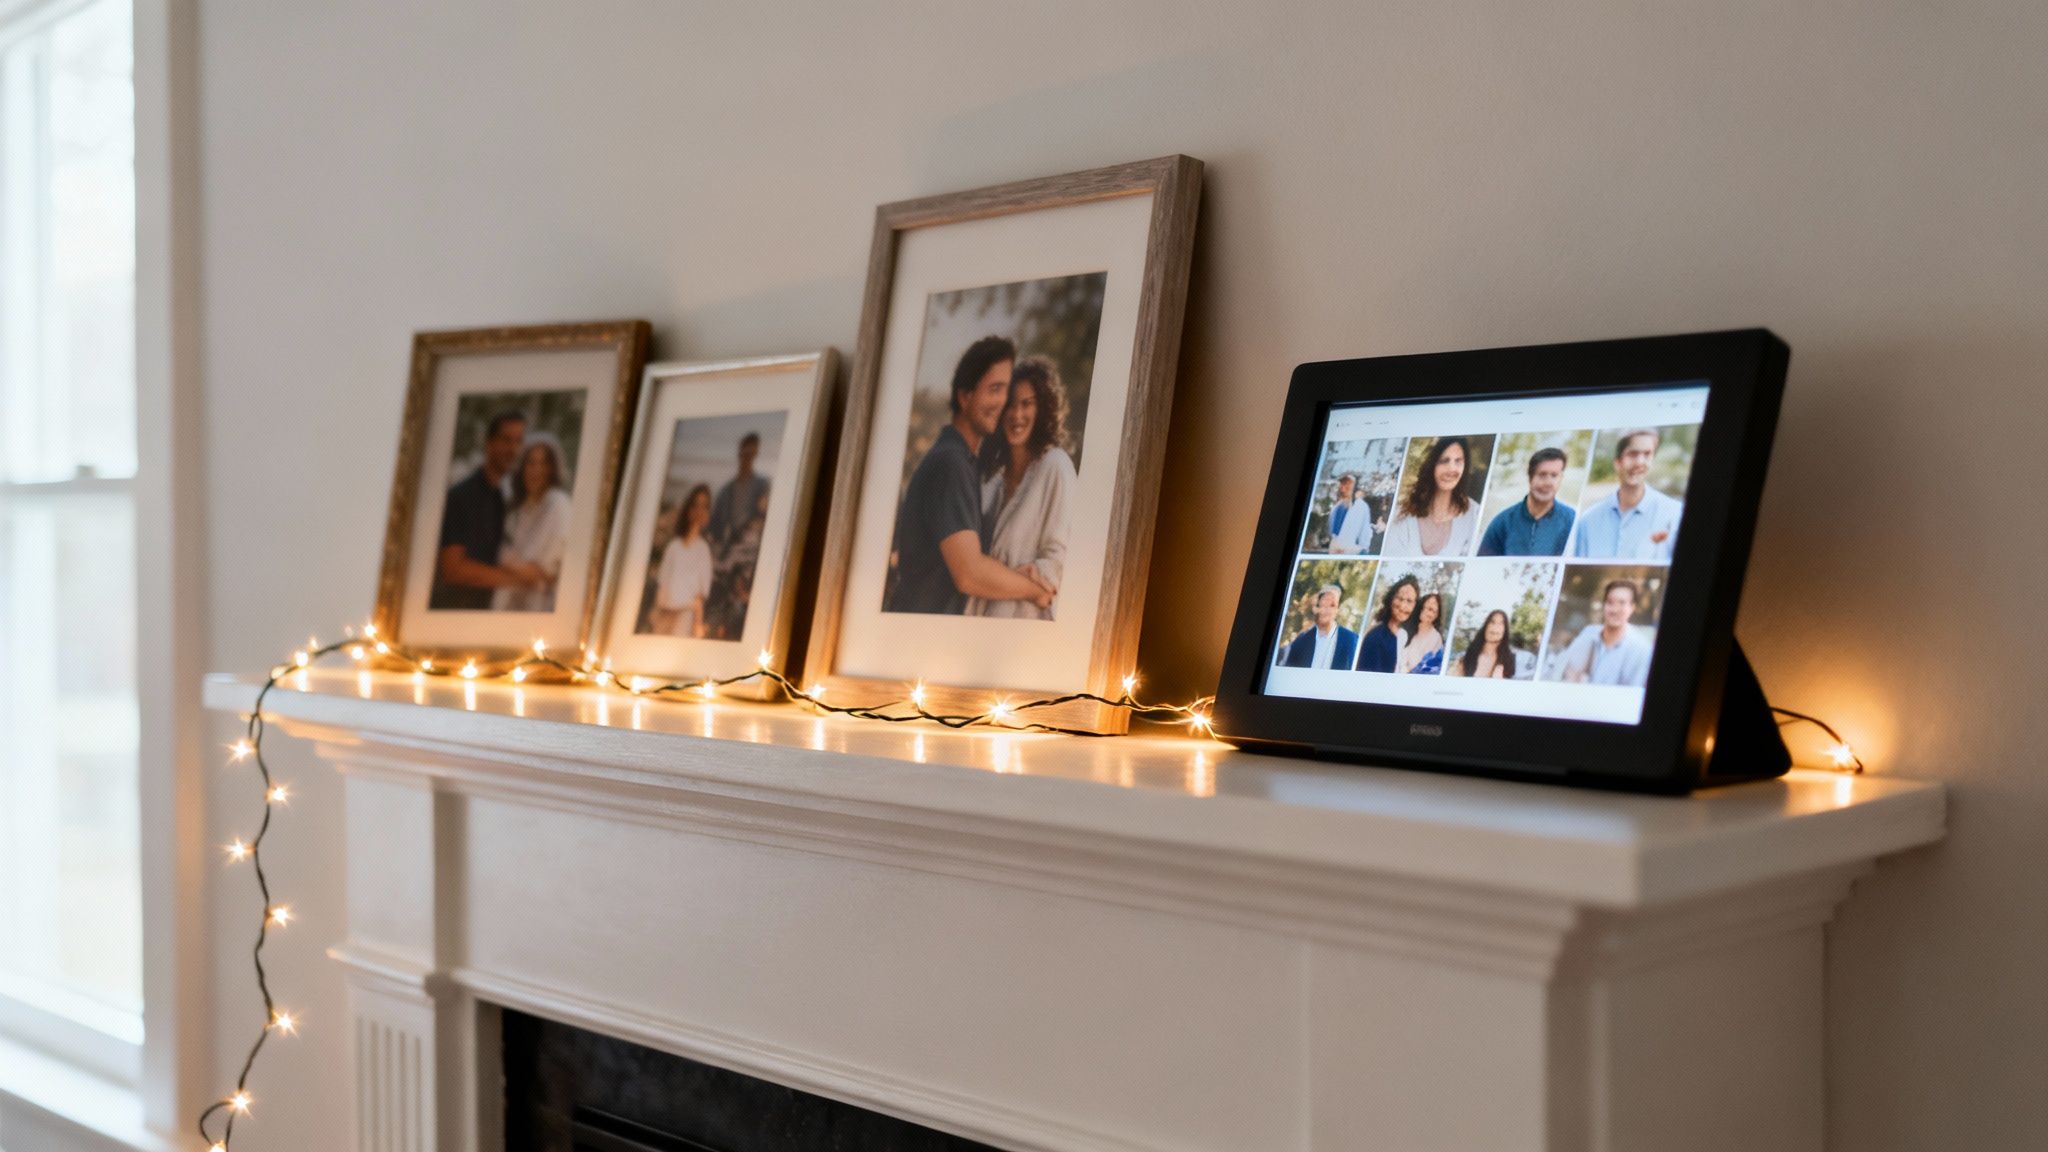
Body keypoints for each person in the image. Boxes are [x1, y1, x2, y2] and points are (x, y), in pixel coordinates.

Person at [887, 336, 1053, 615]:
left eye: (1006, 391)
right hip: (918, 637)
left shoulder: (963, 462)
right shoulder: (950, 464)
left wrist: (1016, 577)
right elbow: (969, 573)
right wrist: (1035, 591)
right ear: (965, 397)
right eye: (994, 389)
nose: (1003, 403)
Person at [968, 356, 1077, 620]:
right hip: (984, 625)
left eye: (1027, 404)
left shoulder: (1055, 466)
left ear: (1042, 410)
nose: (1017, 415)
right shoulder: (992, 483)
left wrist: (1019, 577)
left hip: (1030, 627)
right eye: (1010, 405)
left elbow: (1063, 560)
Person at [429, 410, 547, 610]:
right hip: (451, 614)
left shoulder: (501, 499)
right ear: (489, 443)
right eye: (506, 440)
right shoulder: (462, 496)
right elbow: (453, 569)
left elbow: (492, 558)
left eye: (518, 442)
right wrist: (517, 581)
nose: (513, 449)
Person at [1572, 430, 1683, 561]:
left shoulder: (1675, 514)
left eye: (1647, 454)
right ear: (1617, 462)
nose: (1640, 462)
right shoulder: (1588, 521)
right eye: (1633, 454)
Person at [491, 433, 572, 612]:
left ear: (552, 469)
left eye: (543, 464)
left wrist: (504, 560)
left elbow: (541, 574)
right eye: (531, 463)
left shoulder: (558, 503)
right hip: (507, 608)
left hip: (540, 610)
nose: (536, 470)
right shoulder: (518, 511)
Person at [1382, 437, 1482, 557]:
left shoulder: (1474, 515)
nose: (1452, 469)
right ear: (1432, 465)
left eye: (1458, 461)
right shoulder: (1403, 514)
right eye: (1444, 461)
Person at [1478, 447, 1576, 556]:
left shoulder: (1571, 521)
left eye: (1554, 475)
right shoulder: (1502, 522)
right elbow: (1481, 566)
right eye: (1542, 475)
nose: (1548, 483)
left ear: (1561, 478)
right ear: (1530, 477)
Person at [1556, 579, 1654, 686]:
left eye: (1622, 603)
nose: (1614, 610)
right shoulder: (1589, 633)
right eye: (1610, 602)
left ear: (1632, 607)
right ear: (1604, 605)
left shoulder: (1640, 649)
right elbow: (1569, 673)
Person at [653, 484, 715, 637]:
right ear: (689, 508)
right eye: (696, 505)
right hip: (665, 612)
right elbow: (663, 583)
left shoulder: (703, 549)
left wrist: (698, 624)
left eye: (704, 507)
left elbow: (699, 595)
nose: (699, 511)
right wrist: (657, 614)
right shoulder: (673, 547)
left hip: (685, 615)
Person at [708, 431, 770, 554]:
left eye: (751, 454)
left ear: (756, 454)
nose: (747, 458)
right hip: (726, 547)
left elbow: (764, 517)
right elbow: (714, 524)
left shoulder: (763, 485)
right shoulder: (725, 490)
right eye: (745, 453)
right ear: (739, 452)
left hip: (749, 548)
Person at [1276, 583, 1360, 669]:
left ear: (1337, 610)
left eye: (1332, 605)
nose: (1326, 610)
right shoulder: (1301, 642)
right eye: (1323, 604)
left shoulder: (1351, 640)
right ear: (1315, 608)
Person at [1356, 575, 1417, 674]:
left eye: (1409, 601)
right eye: (1399, 598)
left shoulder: (1404, 635)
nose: (1403, 606)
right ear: (1391, 600)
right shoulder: (1375, 637)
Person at [1458, 609, 1518, 679]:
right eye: (1492, 622)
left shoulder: (1510, 660)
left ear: (1505, 630)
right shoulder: (1469, 656)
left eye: (1501, 623)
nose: (1495, 627)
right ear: (1486, 626)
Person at [1399, 591, 1446, 674]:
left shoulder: (1436, 638)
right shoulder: (1407, 628)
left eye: (1432, 610)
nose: (1427, 612)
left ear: (1436, 615)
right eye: (1425, 607)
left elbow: (1423, 667)